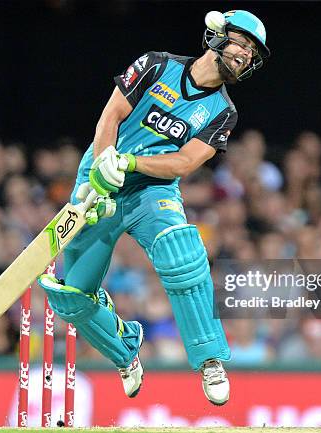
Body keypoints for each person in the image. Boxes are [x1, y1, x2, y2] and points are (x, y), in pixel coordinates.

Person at [38, 9, 270, 406]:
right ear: (217, 36)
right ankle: (124, 347)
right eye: (242, 44)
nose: (246, 56)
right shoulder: (155, 65)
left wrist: (128, 164)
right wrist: (104, 165)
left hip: (152, 191)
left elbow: (182, 164)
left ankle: (210, 359)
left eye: (253, 54)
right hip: (97, 178)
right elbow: (111, 114)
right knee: (70, 296)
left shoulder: (223, 112)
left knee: (182, 253)